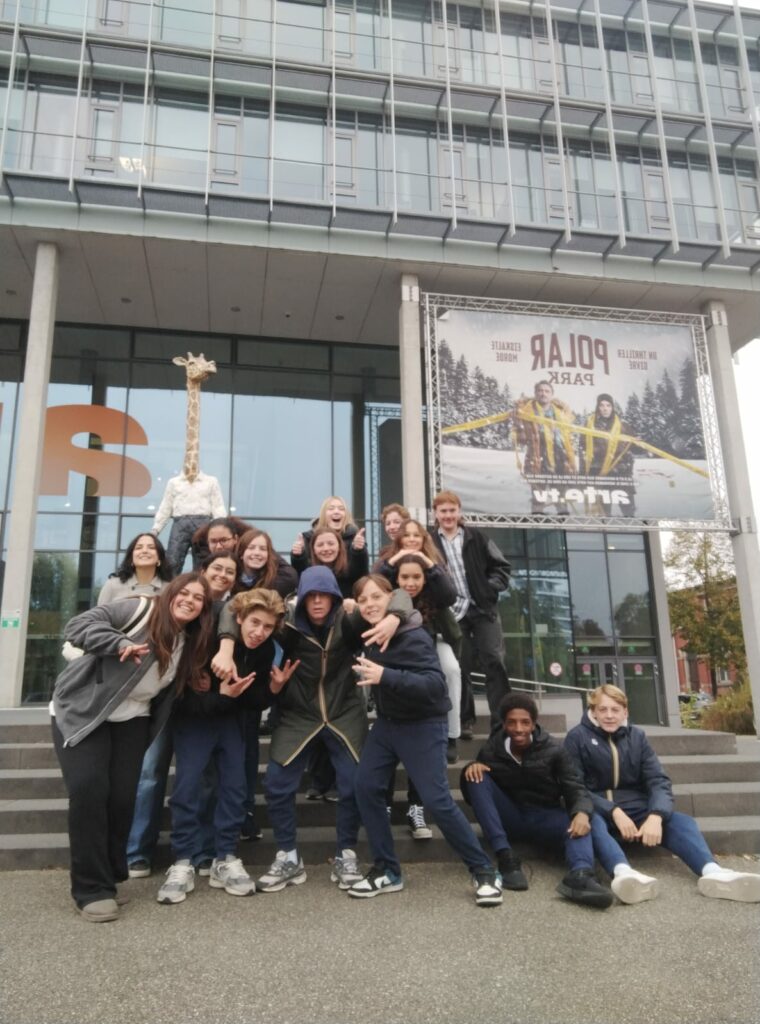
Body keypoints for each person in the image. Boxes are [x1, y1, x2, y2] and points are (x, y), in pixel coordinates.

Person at [213, 564, 409, 893]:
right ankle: (288, 856)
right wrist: (226, 647)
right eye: (311, 595)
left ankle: (346, 854)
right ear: (302, 597)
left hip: (344, 710)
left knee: (352, 783)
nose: (317, 601)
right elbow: (233, 608)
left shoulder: (349, 620)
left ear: (334, 597)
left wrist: (394, 617)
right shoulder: (286, 623)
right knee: (276, 782)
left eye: (325, 595)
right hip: (299, 711)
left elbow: (400, 595)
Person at [51, 573, 214, 922]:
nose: (190, 600)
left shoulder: (188, 641)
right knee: (89, 790)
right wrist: (117, 642)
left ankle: (107, 879)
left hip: (134, 718)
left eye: (198, 598)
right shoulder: (139, 608)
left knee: (122, 798)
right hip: (85, 710)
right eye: (184, 592)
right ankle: (90, 890)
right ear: (170, 593)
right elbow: (78, 625)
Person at [347, 575, 502, 907]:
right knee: (365, 787)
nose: (369, 604)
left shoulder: (413, 635)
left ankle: (484, 871)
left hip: (423, 724)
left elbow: (434, 685)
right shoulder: (371, 633)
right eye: (362, 600)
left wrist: (385, 676)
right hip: (387, 724)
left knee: (437, 799)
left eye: (376, 597)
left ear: (391, 598)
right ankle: (387, 870)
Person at [157, 589, 297, 905]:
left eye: (267, 627)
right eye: (255, 622)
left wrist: (273, 689)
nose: (260, 632)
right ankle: (182, 862)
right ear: (239, 619)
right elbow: (180, 696)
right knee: (188, 788)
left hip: (231, 723)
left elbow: (251, 699)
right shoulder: (205, 641)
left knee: (234, 788)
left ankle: (226, 857)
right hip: (194, 722)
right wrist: (220, 696)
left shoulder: (264, 650)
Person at [564, 684, 760, 904]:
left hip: (635, 806)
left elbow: (658, 780)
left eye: (615, 710)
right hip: (597, 806)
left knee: (681, 821)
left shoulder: (637, 737)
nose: (609, 715)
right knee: (591, 821)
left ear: (625, 712)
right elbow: (575, 787)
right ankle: (623, 873)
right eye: (603, 709)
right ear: (593, 711)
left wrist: (656, 815)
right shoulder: (577, 737)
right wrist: (614, 811)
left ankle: (712, 871)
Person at [126, 552, 239, 878]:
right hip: (160, 704)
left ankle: (202, 851)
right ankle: (137, 851)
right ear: (202, 571)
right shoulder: (176, 605)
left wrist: (223, 651)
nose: (223, 574)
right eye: (217, 568)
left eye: (230, 571)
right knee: (150, 774)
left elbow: (229, 618)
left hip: (199, 709)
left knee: (204, 780)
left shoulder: (224, 611)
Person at [461, 693, 612, 909]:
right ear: (503, 724)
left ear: (534, 724)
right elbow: (476, 797)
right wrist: (470, 768)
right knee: (475, 775)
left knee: (583, 819)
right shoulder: (491, 751)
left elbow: (575, 787)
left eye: (525, 722)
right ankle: (506, 857)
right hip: (510, 818)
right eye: (512, 722)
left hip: (545, 817)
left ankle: (580, 876)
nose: (519, 728)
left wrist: (581, 812)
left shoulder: (554, 750)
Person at [430, 490, 511, 732]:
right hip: (453, 612)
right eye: (443, 511)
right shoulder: (430, 542)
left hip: (483, 608)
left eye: (452, 510)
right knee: (460, 666)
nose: (448, 515)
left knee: (494, 660)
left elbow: (502, 567)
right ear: (436, 513)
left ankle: (502, 722)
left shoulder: (477, 537)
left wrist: (488, 587)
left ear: (459, 512)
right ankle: (465, 720)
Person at [513, 380, 577, 513]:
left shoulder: (561, 412)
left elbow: (569, 436)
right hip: (537, 458)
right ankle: (537, 519)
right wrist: (519, 425)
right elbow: (520, 437)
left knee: (561, 496)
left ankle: (563, 520)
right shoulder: (526, 412)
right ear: (535, 393)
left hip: (559, 458)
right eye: (540, 391)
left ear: (552, 394)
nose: (543, 394)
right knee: (538, 496)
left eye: (547, 391)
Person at [151, 472, 227, 574]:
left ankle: (201, 583)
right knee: (173, 560)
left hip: (202, 525)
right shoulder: (174, 482)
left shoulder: (211, 481)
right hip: (180, 524)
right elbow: (166, 506)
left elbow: (218, 506)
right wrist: (156, 529)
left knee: (203, 562)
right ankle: (170, 583)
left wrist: (223, 527)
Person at [581, 393, 636, 516]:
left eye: (608, 405)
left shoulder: (623, 426)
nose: (605, 408)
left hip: (621, 473)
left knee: (628, 510)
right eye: (602, 405)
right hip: (599, 473)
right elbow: (583, 448)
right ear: (598, 407)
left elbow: (633, 448)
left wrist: (636, 443)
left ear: (612, 407)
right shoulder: (589, 426)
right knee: (604, 513)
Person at [291, 525, 369, 598]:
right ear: (313, 550)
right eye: (320, 545)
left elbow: (360, 571)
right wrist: (298, 556)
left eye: (331, 544)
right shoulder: (309, 572)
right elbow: (300, 570)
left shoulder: (350, 570)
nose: (326, 548)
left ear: (339, 547)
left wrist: (358, 551)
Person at [97, 533, 173, 605]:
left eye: (151, 547)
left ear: (159, 558)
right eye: (138, 548)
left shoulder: (170, 589)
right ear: (131, 558)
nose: (144, 551)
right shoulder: (112, 585)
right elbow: (99, 614)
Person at [234, 528, 298, 598]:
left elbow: (291, 578)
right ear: (241, 553)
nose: (257, 553)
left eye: (263, 549)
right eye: (251, 548)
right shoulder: (232, 579)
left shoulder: (276, 583)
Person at [373, 502, 410, 567]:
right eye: (388, 524)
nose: (391, 527)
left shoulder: (415, 548)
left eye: (397, 522)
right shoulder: (384, 554)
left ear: (407, 523)